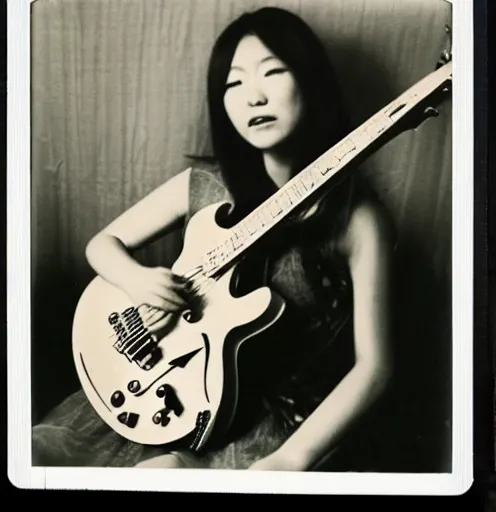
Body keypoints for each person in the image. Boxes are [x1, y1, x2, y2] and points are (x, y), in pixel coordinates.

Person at [32, 6, 394, 472]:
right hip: (167, 380)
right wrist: (138, 281)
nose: (253, 97)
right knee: (37, 451)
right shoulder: (204, 184)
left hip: (272, 423)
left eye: (273, 72)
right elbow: (102, 245)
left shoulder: (357, 218)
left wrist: (292, 458)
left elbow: (376, 366)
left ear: (310, 80)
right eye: (233, 84)